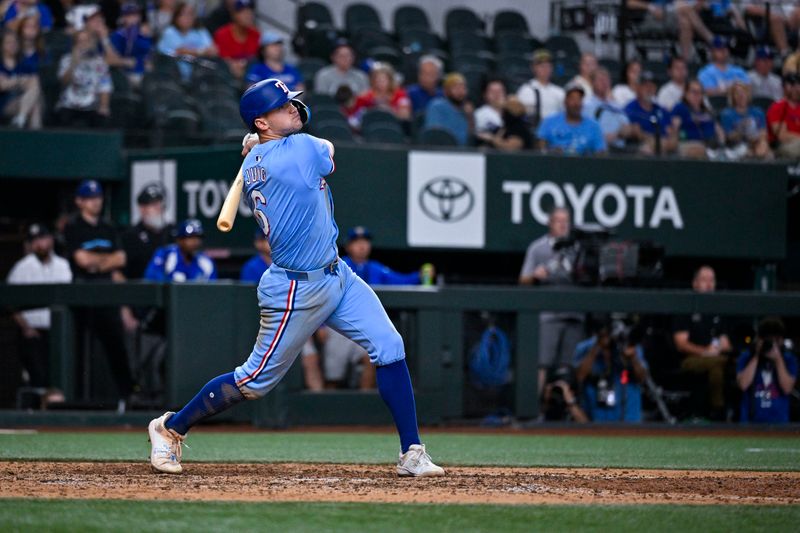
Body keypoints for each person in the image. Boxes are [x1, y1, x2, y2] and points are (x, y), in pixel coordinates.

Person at [147, 78, 445, 477]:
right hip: (295, 289)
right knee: (253, 382)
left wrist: (260, 142)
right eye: (282, 106)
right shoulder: (299, 150)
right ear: (261, 122)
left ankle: (412, 451)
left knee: (389, 345)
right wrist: (265, 140)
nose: (293, 109)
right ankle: (169, 428)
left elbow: (290, 133)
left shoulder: (256, 161)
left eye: (291, 103)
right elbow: (328, 149)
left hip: (337, 275)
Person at [62, 179, 136, 411]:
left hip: (108, 294)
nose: (96, 202)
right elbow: (81, 261)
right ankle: (71, 401)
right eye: (90, 198)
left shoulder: (108, 227)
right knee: (78, 350)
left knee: (116, 347)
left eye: (98, 197)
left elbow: (121, 259)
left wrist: (96, 264)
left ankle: (127, 397)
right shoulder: (73, 226)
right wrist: (105, 262)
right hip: (81, 294)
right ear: (79, 201)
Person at [239, 230, 324, 392]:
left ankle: (318, 402)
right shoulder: (252, 267)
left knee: (310, 358)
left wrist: (320, 327)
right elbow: (249, 306)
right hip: (265, 327)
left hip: (295, 323)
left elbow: (309, 296)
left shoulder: (292, 263)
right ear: (258, 244)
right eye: (265, 240)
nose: (269, 243)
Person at [519, 207, 584, 399]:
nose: (563, 225)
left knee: (571, 366)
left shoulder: (579, 248)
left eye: (566, 220)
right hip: (548, 315)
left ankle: (571, 413)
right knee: (542, 363)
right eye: (558, 220)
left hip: (575, 314)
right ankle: (533, 410)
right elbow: (523, 280)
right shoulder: (539, 248)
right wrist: (536, 276)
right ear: (549, 222)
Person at [7, 223, 72, 404]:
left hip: (58, 333)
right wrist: (26, 328)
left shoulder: (63, 265)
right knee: (38, 375)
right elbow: (10, 303)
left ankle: (59, 413)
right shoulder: (21, 267)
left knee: (60, 376)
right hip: (32, 332)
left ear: (50, 239)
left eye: (42, 239)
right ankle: (36, 412)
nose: (40, 244)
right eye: (35, 241)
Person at [672, 265, 732, 420]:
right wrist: (705, 351)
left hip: (716, 358)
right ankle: (718, 412)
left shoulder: (718, 310)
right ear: (695, 283)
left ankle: (712, 413)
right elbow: (681, 344)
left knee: (718, 366)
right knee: (718, 364)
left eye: (712, 280)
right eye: (704, 280)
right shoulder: (686, 307)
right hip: (691, 359)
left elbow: (726, 343)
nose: (709, 284)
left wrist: (718, 348)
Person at [574, 319, 649, 423]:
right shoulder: (585, 347)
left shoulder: (629, 343)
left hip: (628, 416)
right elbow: (579, 377)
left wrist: (632, 357)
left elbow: (642, 378)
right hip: (597, 416)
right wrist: (597, 347)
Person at [737, 317, 797, 424]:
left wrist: (778, 359)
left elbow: (787, 388)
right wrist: (756, 355)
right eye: (767, 339)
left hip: (780, 422)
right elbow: (743, 384)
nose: (771, 344)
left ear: (781, 340)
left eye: (775, 340)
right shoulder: (746, 357)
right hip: (750, 423)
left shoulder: (788, 359)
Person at [56, 28, 112, 127]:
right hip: (68, 105)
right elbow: (64, 82)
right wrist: (73, 63)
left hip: (92, 106)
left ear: (92, 43)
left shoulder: (100, 62)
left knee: (103, 118)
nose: (83, 44)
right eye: (79, 41)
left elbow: (105, 86)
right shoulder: (66, 60)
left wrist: (104, 106)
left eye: (86, 41)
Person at [120, 183, 173, 280]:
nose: (158, 208)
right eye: (153, 204)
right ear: (142, 209)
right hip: (141, 289)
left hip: (170, 287)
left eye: (159, 203)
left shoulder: (171, 232)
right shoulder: (131, 235)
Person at [342, 226, 429, 285]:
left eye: (365, 241)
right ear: (348, 246)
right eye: (357, 242)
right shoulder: (341, 266)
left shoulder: (374, 268)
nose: (362, 246)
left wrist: (418, 276)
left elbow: (398, 281)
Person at [537, 82, 606, 155]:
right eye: (572, 98)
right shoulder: (549, 121)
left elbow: (601, 153)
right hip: (555, 164)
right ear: (565, 101)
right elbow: (539, 147)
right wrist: (551, 151)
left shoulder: (594, 126)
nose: (576, 103)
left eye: (579, 99)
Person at [583, 67, 641, 152]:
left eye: (606, 80)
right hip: (596, 150)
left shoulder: (616, 106)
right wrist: (616, 135)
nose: (604, 83)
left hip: (620, 150)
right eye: (600, 80)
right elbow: (587, 135)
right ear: (592, 83)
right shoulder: (586, 105)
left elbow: (626, 126)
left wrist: (631, 130)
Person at [156, 2, 216, 82]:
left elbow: (212, 50)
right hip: (173, 78)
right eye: (183, 14)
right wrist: (201, 51)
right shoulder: (170, 32)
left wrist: (195, 51)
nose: (187, 18)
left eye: (190, 14)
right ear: (176, 17)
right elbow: (180, 51)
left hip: (200, 78)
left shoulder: (201, 31)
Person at [144, 219, 217, 282]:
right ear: (179, 240)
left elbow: (212, 290)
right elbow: (151, 280)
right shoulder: (166, 255)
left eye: (198, 238)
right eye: (190, 238)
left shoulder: (206, 262)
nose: (195, 242)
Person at [625, 70, 677, 154]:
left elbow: (672, 131)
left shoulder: (660, 109)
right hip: (639, 149)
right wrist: (657, 141)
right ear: (638, 88)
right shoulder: (630, 109)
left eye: (652, 86)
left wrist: (670, 141)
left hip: (666, 148)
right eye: (646, 86)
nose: (650, 89)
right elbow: (635, 133)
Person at [670, 78, 724, 159]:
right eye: (694, 92)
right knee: (698, 150)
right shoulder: (680, 108)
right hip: (688, 144)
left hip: (710, 145)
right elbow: (674, 130)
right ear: (686, 93)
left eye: (700, 92)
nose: (697, 95)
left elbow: (719, 131)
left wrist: (721, 144)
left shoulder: (706, 111)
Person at [0, 29, 42, 128]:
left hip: (23, 101)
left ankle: (21, 118)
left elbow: (35, 83)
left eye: (15, 42)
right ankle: (38, 139)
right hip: (5, 103)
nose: (13, 45)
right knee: (34, 102)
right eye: (9, 42)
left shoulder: (25, 65)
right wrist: (20, 80)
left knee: (35, 101)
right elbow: (1, 86)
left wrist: (11, 82)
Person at [349, 62, 411, 128]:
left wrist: (389, 111)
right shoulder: (365, 97)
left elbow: (405, 116)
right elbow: (353, 119)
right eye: (378, 80)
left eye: (383, 80)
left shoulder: (400, 94)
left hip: (394, 128)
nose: (381, 83)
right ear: (373, 81)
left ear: (390, 81)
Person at [720, 80, 771, 159]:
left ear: (748, 94)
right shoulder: (727, 114)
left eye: (743, 92)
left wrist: (757, 139)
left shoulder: (758, 112)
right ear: (733, 97)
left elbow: (763, 132)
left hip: (757, 142)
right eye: (737, 93)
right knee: (747, 152)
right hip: (738, 145)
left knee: (764, 148)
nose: (741, 95)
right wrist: (744, 132)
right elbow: (729, 136)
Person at [516, 48, 565, 126]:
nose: (545, 69)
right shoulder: (526, 90)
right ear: (533, 68)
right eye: (541, 66)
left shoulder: (559, 92)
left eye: (548, 66)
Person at [212, 0, 259, 80]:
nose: (248, 15)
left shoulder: (256, 34)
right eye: (243, 12)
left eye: (250, 12)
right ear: (234, 15)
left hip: (249, 77)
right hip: (226, 78)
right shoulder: (222, 34)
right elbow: (223, 60)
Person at [424, 72, 473, 146]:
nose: (460, 92)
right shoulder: (437, 106)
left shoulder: (466, 111)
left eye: (463, 88)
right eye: (456, 88)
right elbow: (435, 134)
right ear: (446, 91)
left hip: (463, 153)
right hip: (442, 151)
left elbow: (470, 137)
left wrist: (470, 117)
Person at [109, 2, 152, 86]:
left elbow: (147, 54)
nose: (132, 18)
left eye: (135, 15)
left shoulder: (144, 34)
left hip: (143, 73)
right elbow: (112, 58)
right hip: (124, 73)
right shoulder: (117, 35)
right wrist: (126, 62)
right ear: (123, 17)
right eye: (128, 15)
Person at [766, 72, 800, 158]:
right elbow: (782, 136)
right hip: (782, 146)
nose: (796, 89)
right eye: (792, 85)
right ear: (784, 87)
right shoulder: (778, 107)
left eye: (798, 85)